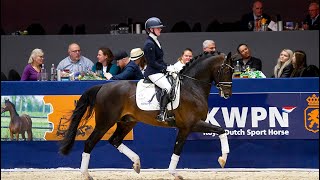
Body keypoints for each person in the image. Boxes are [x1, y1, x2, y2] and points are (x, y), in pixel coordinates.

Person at [143, 17, 176, 122]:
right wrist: (165, 68)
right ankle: (162, 113)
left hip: (158, 70)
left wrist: (169, 66)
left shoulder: (155, 41)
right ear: (151, 29)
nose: (160, 29)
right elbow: (151, 63)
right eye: (158, 28)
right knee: (167, 87)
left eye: (160, 28)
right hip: (153, 72)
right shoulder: (149, 44)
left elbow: (159, 60)